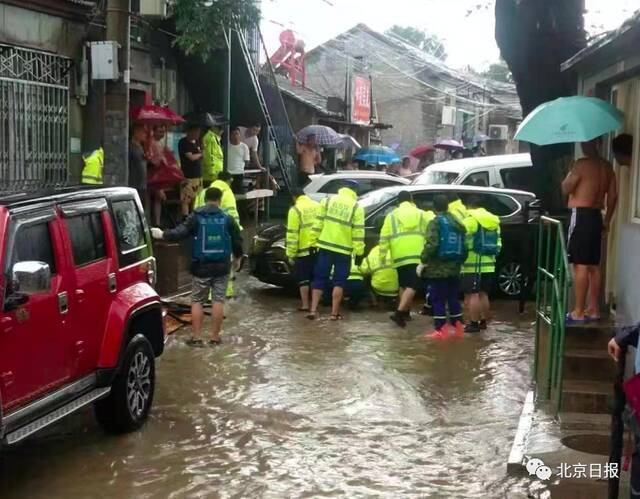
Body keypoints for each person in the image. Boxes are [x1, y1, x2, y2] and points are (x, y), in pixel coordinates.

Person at [151, 187, 243, 346]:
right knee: (218, 300)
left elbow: (180, 232)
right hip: (222, 267)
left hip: (201, 266)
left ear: (205, 199)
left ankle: (197, 338)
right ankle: (215, 338)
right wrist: (238, 257)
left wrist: (162, 234)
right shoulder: (228, 218)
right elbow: (237, 240)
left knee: (197, 301)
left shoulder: (197, 217)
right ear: (219, 200)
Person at [562, 139, 618, 323]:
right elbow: (613, 196)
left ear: (593, 144)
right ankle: (593, 308)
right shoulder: (607, 166)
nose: (583, 145)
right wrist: (607, 220)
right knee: (594, 265)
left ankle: (578, 311)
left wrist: (570, 170)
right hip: (596, 216)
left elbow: (566, 188)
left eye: (585, 143)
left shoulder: (581, 165)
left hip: (581, 216)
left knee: (580, 264)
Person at [307, 180, 365, 320]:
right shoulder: (356, 207)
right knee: (339, 282)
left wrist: (312, 242)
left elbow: (318, 223)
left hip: (325, 247)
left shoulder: (327, 201)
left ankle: (313, 311)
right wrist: (359, 252)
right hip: (344, 251)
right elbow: (358, 232)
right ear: (354, 192)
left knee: (319, 278)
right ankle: (334, 314)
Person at [381, 191, 433, 328]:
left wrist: (382, 256)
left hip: (398, 255)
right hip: (416, 254)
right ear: (411, 200)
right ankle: (399, 312)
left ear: (398, 202)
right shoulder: (421, 214)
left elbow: (384, 237)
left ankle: (406, 313)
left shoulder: (391, 216)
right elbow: (432, 227)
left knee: (404, 285)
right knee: (414, 285)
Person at [419, 194, 467, 339]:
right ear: (447, 206)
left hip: (438, 269)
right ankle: (458, 328)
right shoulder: (457, 222)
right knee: (453, 298)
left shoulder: (435, 223)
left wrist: (423, 259)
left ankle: (440, 330)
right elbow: (464, 245)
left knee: (438, 299)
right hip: (455, 267)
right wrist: (460, 261)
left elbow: (432, 244)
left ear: (434, 207)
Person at [460, 196, 502, 333]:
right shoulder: (494, 221)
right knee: (484, 294)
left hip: (473, 262)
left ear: (470, 207)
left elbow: (460, 234)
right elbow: (498, 243)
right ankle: (483, 321)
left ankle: (473, 323)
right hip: (489, 263)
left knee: (473, 294)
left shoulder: (471, 220)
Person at [286, 188, 320, 312]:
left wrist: (290, 253)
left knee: (303, 279)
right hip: (318, 248)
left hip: (303, 251)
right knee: (317, 278)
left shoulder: (295, 210)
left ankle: (305, 305)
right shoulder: (317, 205)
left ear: (294, 198)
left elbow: (292, 234)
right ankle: (316, 305)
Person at [360, 244, 399, 309]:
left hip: (379, 288)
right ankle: (397, 302)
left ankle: (374, 302)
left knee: (366, 277)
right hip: (397, 288)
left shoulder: (374, 250)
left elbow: (363, 270)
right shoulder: (397, 249)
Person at [178, 123, 203, 217]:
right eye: (196, 132)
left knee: (196, 199)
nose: (197, 134)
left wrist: (201, 152)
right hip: (187, 176)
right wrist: (200, 155)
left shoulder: (197, 143)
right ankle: (185, 218)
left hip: (198, 175)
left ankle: (195, 217)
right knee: (186, 199)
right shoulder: (183, 142)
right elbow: (191, 157)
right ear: (190, 131)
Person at [228, 127, 250, 195]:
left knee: (239, 193)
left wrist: (242, 169)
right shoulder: (225, 145)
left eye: (237, 134)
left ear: (240, 135)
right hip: (228, 173)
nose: (235, 136)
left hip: (239, 173)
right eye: (233, 134)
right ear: (230, 135)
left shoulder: (244, 147)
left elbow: (247, 161)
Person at [129, 124, 148, 204]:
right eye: (143, 132)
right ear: (136, 132)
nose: (145, 135)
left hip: (142, 184)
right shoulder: (130, 147)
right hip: (134, 183)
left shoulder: (141, 147)